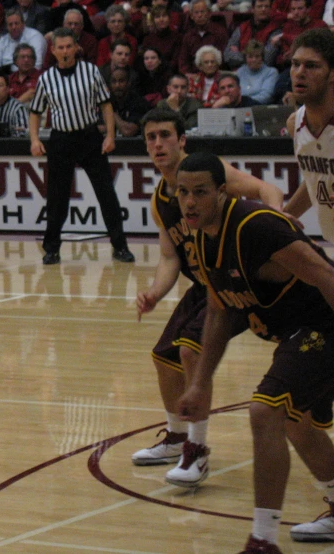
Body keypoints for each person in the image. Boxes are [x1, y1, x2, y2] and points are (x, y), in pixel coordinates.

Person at [175, 150, 334, 554]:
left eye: (200, 192)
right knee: (297, 424)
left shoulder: (256, 226)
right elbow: (218, 310)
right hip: (294, 334)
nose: (190, 202)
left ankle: (262, 541)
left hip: (323, 326)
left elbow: (324, 274)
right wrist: (199, 384)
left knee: (266, 410)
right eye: (182, 193)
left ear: (223, 193)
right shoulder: (202, 236)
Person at [134, 108, 283, 487]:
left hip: (235, 278)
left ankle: (196, 454)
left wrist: (275, 229)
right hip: (204, 284)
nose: (157, 144)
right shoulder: (161, 200)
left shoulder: (207, 171)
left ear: (181, 139)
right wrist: (154, 292)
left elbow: (268, 190)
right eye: (150, 138)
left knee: (190, 351)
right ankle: (177, 437)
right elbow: (170, 257)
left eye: (165, 135)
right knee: (164, 357)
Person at [281, 26, 334, 545]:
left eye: (311, 65)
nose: (299, 72)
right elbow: (312, 185)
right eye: (296, 64)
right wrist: (280, 218)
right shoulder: (297, 122)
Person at [29, 28, 134, 266]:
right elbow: (35, 112)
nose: (65, 51)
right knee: (57, 198)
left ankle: (120, 246)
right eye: (60, 47)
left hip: (89, 137)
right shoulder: (46, 78)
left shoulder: (91, 71)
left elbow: (106, 105)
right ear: (53, 51)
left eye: (69, 46)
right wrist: (34, 139)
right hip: (60, 140)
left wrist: (110, 135)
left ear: (76, 48)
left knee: (106, 193)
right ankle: (52, 249)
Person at [223, 0, 284, 69]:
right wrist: (255, 58)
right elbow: (227, 55)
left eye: (266, 6)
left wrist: (240, 55)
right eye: (259, 6)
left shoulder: (276, 30)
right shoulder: (242, 28)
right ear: (252, 9)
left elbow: (267, 61)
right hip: (239, 73)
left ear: (270, 9)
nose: (263, 9)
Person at [177, 0, 228, 75]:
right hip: (194, 76)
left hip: (216, 75)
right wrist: (189, 75)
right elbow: (183, 62)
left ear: (209, 13)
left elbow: (223, 59)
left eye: (202, 12)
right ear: (191, 16)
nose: (199, 15)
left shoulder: (220, 32)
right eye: (196, 13)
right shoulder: (188, 36)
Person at [0, 8, 46, 72]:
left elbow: (37, 66)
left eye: (16, 23)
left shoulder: (35, 37)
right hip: (6, 76)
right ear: (7, 27)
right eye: (10, 24)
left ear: (23, 24)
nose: (13, 27)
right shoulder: (3, 40)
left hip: (30, 76)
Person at [105, 67, 150, 137]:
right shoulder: (107, 101)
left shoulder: (139, 102)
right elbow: (98, 128)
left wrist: (111, 112)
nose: (117, 85)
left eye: (121, 81)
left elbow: (128, 131)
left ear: (129, 83)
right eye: (114, 81)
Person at [236, 39, 279, 104]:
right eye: (250, 57)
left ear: (262, 57)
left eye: (257, 56)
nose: (254, 60)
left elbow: (266, 96)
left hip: (261, 108)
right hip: (240, 108)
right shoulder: (240, 72)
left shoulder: (271, 72)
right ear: (245, 58)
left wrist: (243, 101)